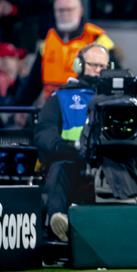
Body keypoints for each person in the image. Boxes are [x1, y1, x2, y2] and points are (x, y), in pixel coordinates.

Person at [35, 43, 110, 242]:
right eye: (93, 65)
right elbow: (43, 132)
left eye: (102, 66)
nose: (98, 70)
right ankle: (58, 220)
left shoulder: (120, 100)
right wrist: (62, 146)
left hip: (112, 163)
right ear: (78, 65)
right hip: (74, 161)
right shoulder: (61, 98)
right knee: (59, 168)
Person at [15, 0, 114, 106]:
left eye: (69, 9)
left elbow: (113, 76)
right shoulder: (48, 39)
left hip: (85, 106)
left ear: (80, 10)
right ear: (55, 12)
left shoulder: (96, 38)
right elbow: (34, 81)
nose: (65, 14)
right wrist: (20, 107)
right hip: (52, 107)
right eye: (60, 10)